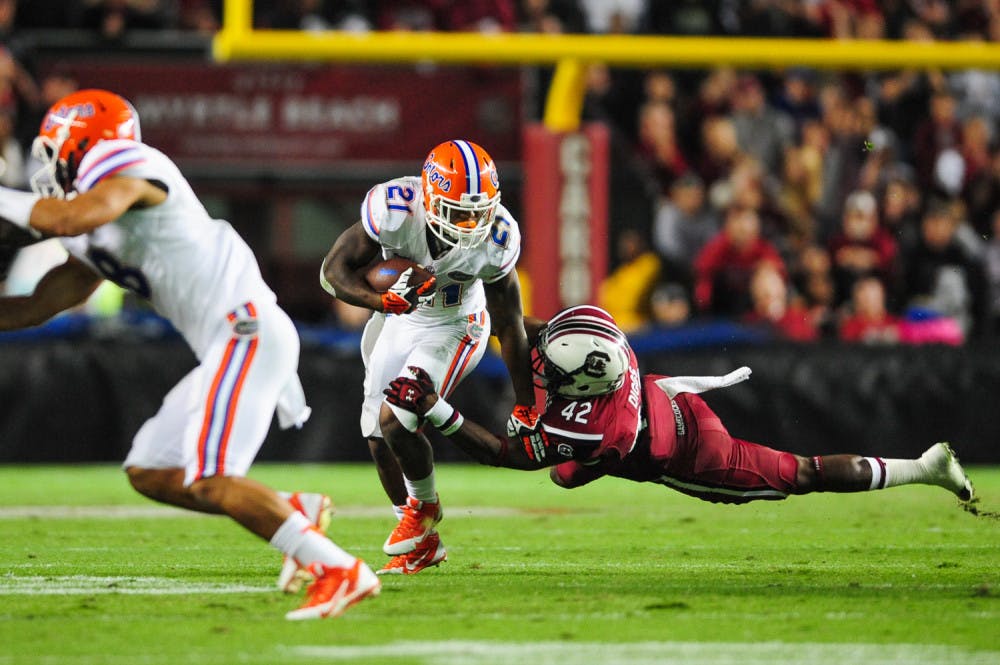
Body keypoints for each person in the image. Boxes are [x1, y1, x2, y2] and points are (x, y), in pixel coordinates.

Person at [0, 89, 378, 620]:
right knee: (151, 469)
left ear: (80, 146)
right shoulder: (98, 228)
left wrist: (5, 201)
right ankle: (294, 513)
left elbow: (72, 217)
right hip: (229, 340)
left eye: (54, 152)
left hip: (243, 330)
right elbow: (39, 304)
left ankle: (340, 569)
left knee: (212, 476)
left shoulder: (130, 166)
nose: (48, 166)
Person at [382, 305, 975, 512]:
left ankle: (925, 467)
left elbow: (506, 456)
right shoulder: (597, 341)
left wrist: (436, 409)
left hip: (692, 449)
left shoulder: (595, 428)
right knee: (564, 473)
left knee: (804, 474)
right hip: (665, 398)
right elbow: (522, 329)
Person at [319, 138, 540, 575]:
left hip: (458, 325)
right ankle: (422, 542)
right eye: (460, 211)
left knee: (396, 415)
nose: (472, 222)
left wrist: (526, 404)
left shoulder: (497, 238)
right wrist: (380, 302)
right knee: (377, 436)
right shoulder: (395, 209)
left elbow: (509, 323)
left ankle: (424, 507)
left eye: (480, 210)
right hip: (402, 318)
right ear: (431, 196)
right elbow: (333, 274)